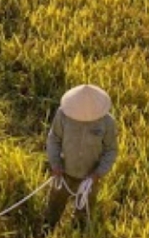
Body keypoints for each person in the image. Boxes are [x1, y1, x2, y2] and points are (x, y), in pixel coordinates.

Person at [45, 84, 118, 228]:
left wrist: (97, 173)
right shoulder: (63, 115)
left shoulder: (107, 122)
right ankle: (46, 232)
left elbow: (111, 150)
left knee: (83, 214)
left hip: (90, 178)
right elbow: (54, 139)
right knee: (54, 206)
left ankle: (79, 237)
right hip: (64, 173)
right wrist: (56, 164)